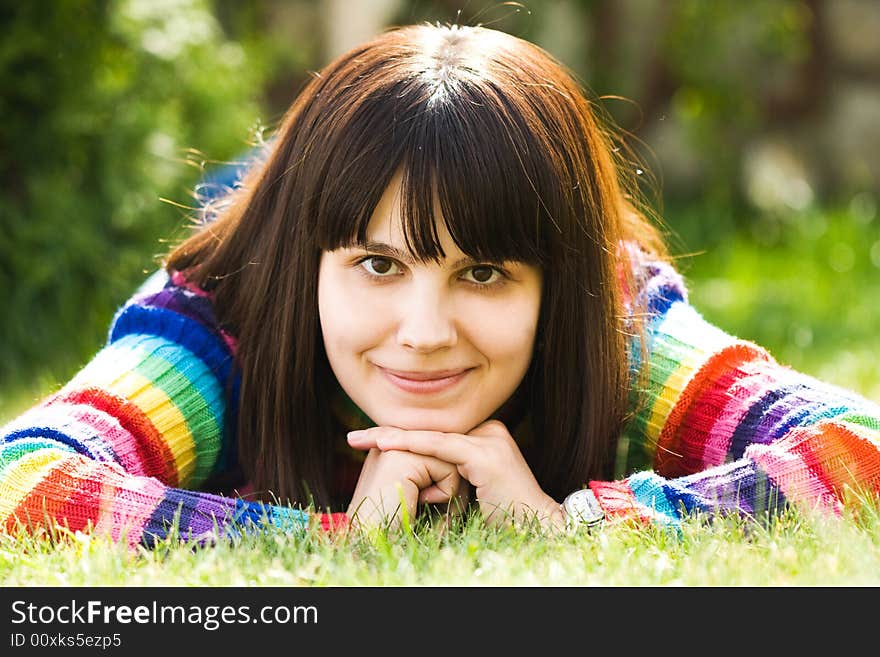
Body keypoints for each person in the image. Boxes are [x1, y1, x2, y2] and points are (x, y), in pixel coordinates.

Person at [2, 22, 879, 550]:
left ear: (559, 278)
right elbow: (22, 479)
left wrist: (574, 523)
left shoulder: (608, 313)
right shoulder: (219, 315)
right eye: (378, 264)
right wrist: (329, 541)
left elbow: (862, 451)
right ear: (313, 259)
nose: (423, 330)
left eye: (485, 272)